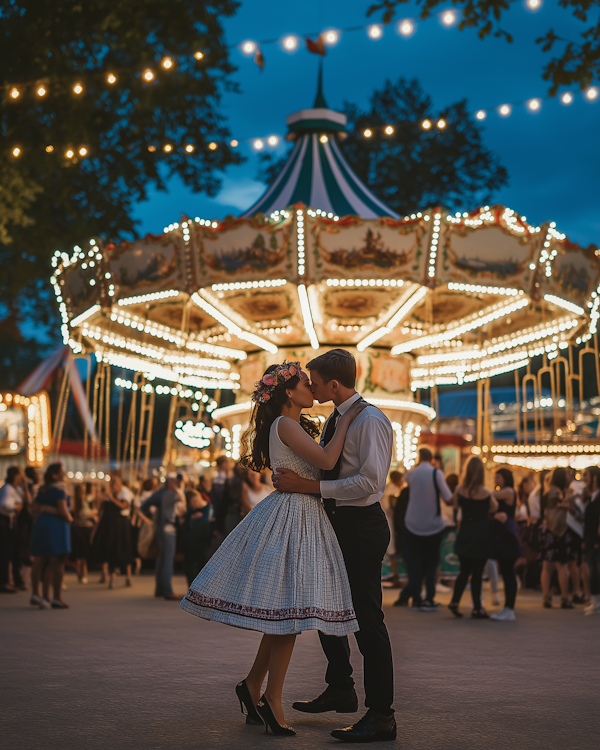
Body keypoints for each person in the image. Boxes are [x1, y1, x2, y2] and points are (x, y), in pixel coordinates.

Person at [181, 359, 362, 737]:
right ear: (287, 392)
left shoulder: (290, 424)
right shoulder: (285, 424)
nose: (311, 388)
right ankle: (272, 698)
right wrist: (347, 418)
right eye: (303, 383)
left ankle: (253, 686)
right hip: (296, 514)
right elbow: (327, 461)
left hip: (301, 513)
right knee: (288, 615)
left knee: (285, 614)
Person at [273, 350, 397, 743]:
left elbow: (369, 483)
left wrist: (308, 486)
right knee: (327, 607)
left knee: (367, 619)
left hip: (361, 524)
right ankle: (341, 686)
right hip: (339, 523)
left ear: (333, 385)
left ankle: (381, 714)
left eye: (313, 381)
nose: (310, 386)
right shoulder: (339, 417)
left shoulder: (370, 420)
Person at [401, 447, 453, 611]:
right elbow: (448, 497)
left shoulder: (412, 473)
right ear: (431, 459)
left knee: (415, 563)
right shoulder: (436, 473)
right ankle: (429, 598)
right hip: (433, 524)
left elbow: (405, 478)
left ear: (419, 457)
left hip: (413, 523)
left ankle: (416, 598)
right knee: (431, 563)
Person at [448, 457, 498, 618]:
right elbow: (494, 507)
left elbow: (455, 506)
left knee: (464, 571)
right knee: (477, 572)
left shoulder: (460, 490)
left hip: (465, 534)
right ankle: (477, 608)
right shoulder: (485, 493)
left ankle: (454, 601)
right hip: (481, 536)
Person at [30, 463, 72, 609]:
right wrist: (69, 518)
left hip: (41, 524)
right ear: (55, 475)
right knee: (57, 561)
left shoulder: (42, 489)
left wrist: (44, 509)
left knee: (40, 560)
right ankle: (55, 597)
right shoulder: (59, 488)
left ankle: (38, 594)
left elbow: (33, 507)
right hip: (56, 525)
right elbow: (62, 510)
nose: (64, 474)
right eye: (62, 471)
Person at [140, 474, 186, 600]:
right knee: (168, 559)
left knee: (162, 558)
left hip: (161, 528)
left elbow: (144, 505)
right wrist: (179, 487)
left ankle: (160, 589)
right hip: (168, 529)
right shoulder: (169, 494)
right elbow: (182, 499)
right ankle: (167, 590)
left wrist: (152, 516)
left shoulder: (160, 493)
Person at [489, 468, 524, 622]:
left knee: (508, 572)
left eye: (498, 477)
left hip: (507, 536)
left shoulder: (509, 491)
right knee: (506, 572)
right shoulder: (505, 492)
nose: (495, 480)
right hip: (503, 536)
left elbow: (487, 496)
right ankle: (508, 608)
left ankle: (509, 608)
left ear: (505, 478)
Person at [539, 467, 577, 609]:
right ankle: (565, 597)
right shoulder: (559, 492)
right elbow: (561, 506)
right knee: (562, 565)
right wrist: (567, 501)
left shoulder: (546, 491)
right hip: (560, 531)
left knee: (547, 565)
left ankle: (546, 596)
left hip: (548, 529)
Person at [0, 466, 28, 593]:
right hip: (6, 521)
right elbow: (4, 504)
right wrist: (15, 507)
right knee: (6, 551)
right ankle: (5, 581)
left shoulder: (15, 488)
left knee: (11, 551)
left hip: (11, 521)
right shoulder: (8, 488)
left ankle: (10, 580)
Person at [183, 489, 213, 585]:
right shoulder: (190, 511)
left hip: (203, 540)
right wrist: (192, 518)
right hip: (191, 542)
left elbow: (206, 519)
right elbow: (187, 524)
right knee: (191, 565)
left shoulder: (208, 507)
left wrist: (193, 518)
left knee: (202, 563)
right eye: (193, 502)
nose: (196, 503)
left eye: (197, 500)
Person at [71, 483, 97, 584]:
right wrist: (93, 513)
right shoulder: (82, 502)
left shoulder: (77, 502)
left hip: (78, 529)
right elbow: (86, 513)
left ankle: (80, 573)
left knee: (79, 554)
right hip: (84, 529)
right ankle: (83, 574)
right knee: (83, 554)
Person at [211, 456, 243, 537]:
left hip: (225, 512)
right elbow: (222, 498)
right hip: (227, 511)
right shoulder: (221, 479)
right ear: (224, 464)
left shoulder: (224, 478)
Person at [582, 466, 600, 615]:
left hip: (596, 538)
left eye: (585, 474)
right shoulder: (590, 495)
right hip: (589, 537)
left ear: (594, 477)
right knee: (592, 568)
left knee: (595, 569)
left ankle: (596, 601)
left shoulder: (597, 496)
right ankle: (595, 601)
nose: (583, 477)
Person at [381, 470, 403, 587]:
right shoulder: (393, 490)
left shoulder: (387, 487)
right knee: (392, 551)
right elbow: (395, 507)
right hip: (390, 521)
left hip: (384, 519)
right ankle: (395, 577)